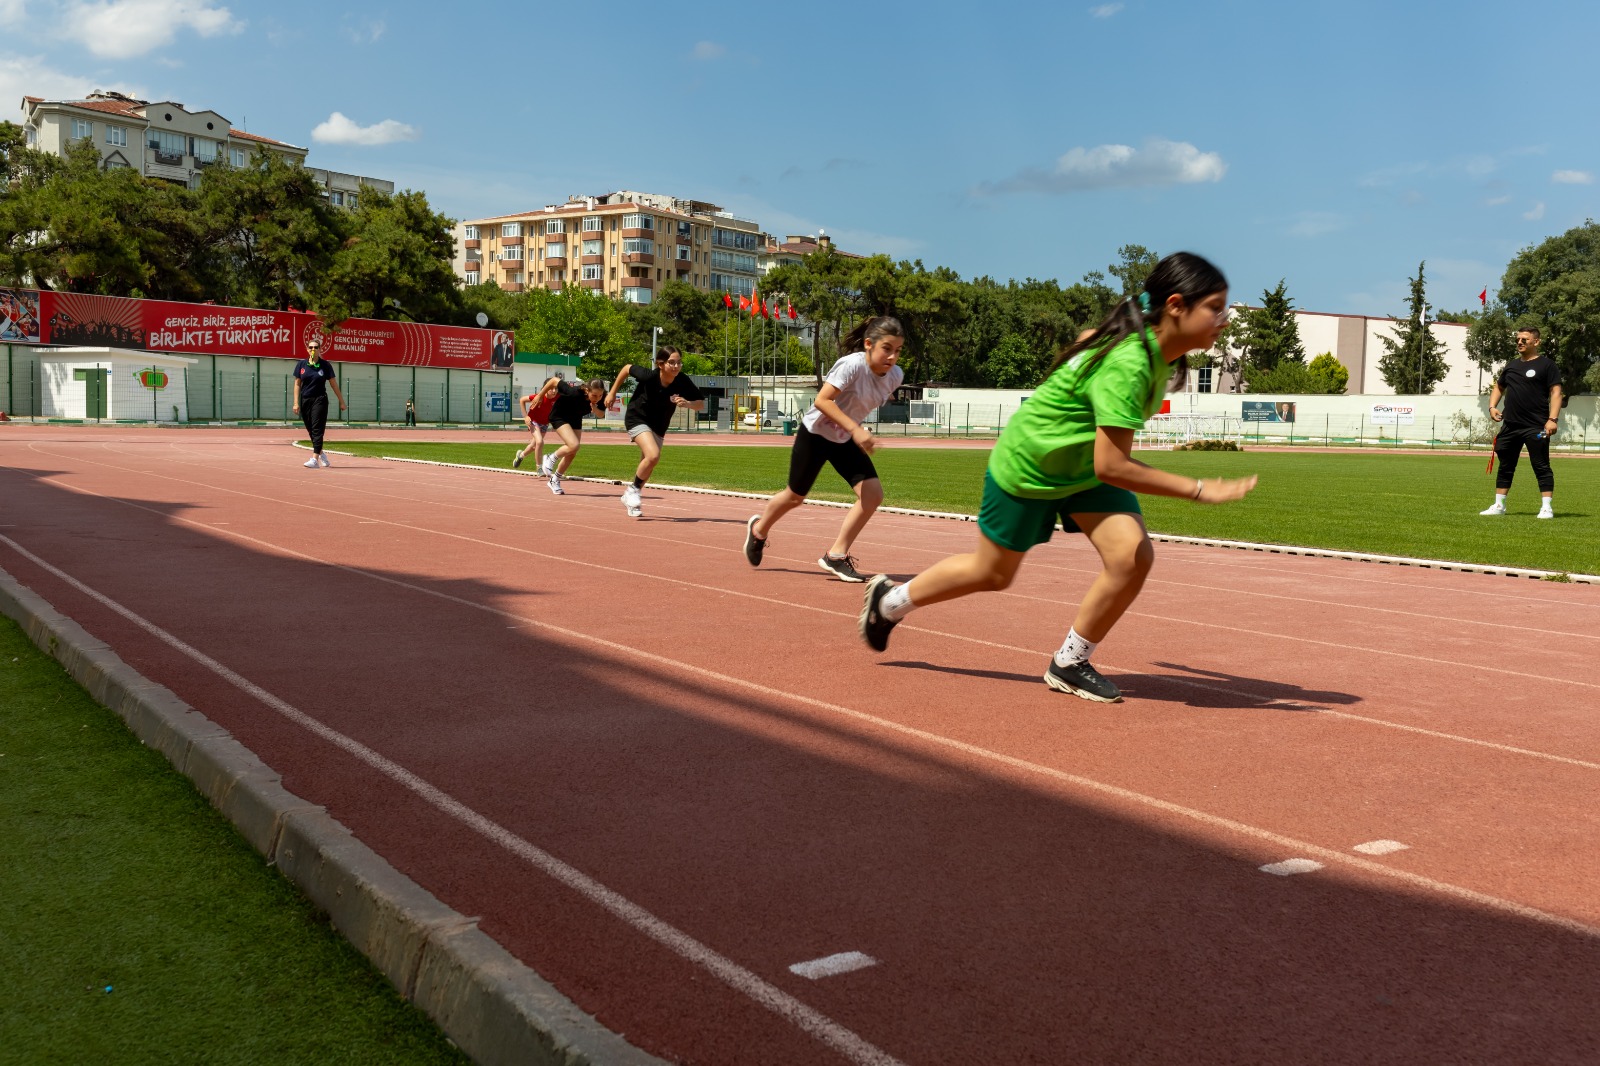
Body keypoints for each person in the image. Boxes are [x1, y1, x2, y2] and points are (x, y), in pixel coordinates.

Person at [857, 253, 1258, 703]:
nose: (1223, 318)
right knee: (992, 574)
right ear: (1177, 305)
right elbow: (1114, 466)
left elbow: (1089, 349)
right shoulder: (1131, 363)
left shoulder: (1156, 351)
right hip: (1031, 466)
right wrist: (1198, 489)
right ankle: (890, 601)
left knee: (1131, 556)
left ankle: (1070, 662)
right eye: (1216, 307)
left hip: (1083, 468)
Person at [742, 316, 905, 582]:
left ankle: (836, 556)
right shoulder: (851, 365)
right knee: (795, 497)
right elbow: (822, 400)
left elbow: (859, 404)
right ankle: (759, 530)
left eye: (898, 350)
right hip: (816, 434)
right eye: (887, 348)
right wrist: (855, 429)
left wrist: (861, 431)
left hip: (844, 439)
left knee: (872, 495)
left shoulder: (895, 377)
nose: (892, 357)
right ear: (868, 344)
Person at [603, 345, 706, 517]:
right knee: (653, 455)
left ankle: (631, 500)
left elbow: (700, 403)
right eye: (671, 362)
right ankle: (633, 490)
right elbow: (627, 368)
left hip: (659, 425)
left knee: (649, 463)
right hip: (637, 417)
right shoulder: (648, 376)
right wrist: (612, 393)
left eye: (679, 363)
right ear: (660, 364)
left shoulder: (682, 380)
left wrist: (687, 403)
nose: (676, 366)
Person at [1481, 327, 1562, 519]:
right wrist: (1492, 407)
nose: (1520, 342)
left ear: (1536, 342)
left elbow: (1556, 393)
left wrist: (1552, 419)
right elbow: (1498, 387)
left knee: (1541, 465)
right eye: (1518, 339)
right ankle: (1499, 505)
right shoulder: (1511, 366)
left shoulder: (1547, 365)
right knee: (1506, 465)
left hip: (1537, 426)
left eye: (1524, 339)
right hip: (1510, 426)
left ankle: (1546, 508)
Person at [536, 377, 607, 495]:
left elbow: (601, 414)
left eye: (600, 395)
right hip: (559, 415)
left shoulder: (602, 397)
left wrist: (595, 409)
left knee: (573, 451)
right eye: (594, 395)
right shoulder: (573, 392)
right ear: (586, 390)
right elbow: (553, 380)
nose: (597, 398)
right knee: (574, 444)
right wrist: (540, 395)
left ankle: (555, 480)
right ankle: (550, 457)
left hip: (575, 418)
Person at [291, 334, 346, 468]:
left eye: (316, 347)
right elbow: (297, 384)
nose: (313, 349)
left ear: (320, 349)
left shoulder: (325, 365)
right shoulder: (301, 364)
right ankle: (322, 454)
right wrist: (296, 402)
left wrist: (341, 401)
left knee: (317, 428)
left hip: (320, 399)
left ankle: (315, 459)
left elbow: (333, 384)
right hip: (305, 400)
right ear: (307, 349)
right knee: (311, 430)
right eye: (310, 347)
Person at [511, 384, 557, 473]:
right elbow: (522, 400)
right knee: (539, 442)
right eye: (551, 389)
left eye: (556, 389)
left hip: (545, 423)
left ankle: (520, 456)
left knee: (534, 446)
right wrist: (525, 417)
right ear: (545, 389)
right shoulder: (538, 397)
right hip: (533, 421)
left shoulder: (557, 397)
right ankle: (539, 468)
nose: (554, 391)